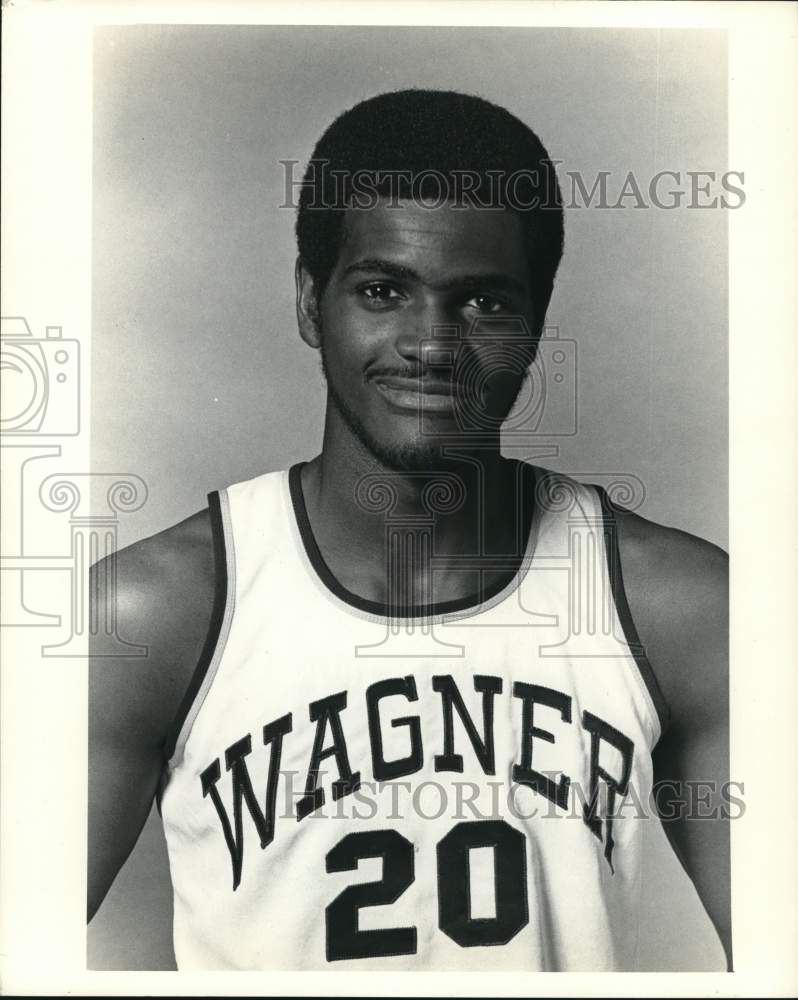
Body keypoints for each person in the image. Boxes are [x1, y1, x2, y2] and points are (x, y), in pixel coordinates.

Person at [88, 89, 730, 971]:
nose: (432, 343)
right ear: (313, 303)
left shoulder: (681, 611)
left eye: (482, 304)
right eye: (384, 290)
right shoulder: (150, 615)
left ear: (538, 321)